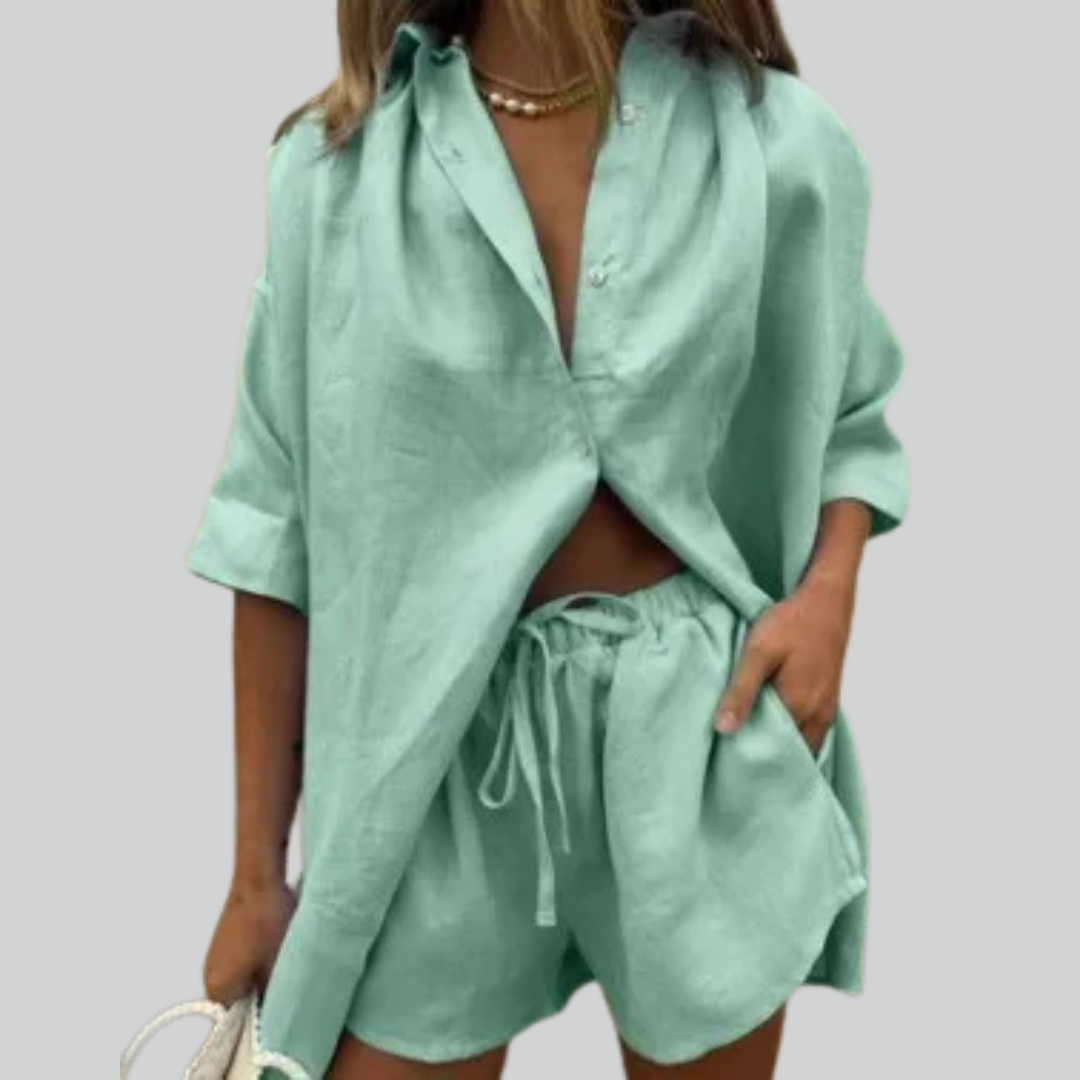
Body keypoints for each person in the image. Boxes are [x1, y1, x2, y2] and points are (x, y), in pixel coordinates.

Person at [189, 2, 909, 1078]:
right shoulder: (337, 175)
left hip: (702, 732)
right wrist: (256, 873)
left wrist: (828, 600)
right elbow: (272, 525)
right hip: (425, 762)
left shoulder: (775, 142)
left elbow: (847, 409)